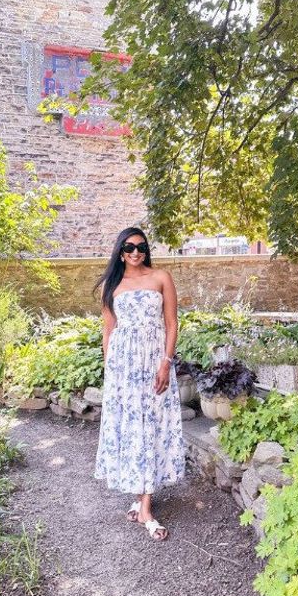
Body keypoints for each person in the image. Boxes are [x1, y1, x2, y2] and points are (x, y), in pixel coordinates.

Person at [93, 227, 185, 541]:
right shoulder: (111, 285)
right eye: (129, 248)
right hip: (123, 368)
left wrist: (166, 362)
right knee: (132, 428)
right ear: (120, 251)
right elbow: (108, 332)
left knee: (152, 426)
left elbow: (172, 323)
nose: (135, 253)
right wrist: (110, 372)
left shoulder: (161, 277)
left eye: (141, 247)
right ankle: (142, 501)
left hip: (154, 363)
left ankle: (144, 505)